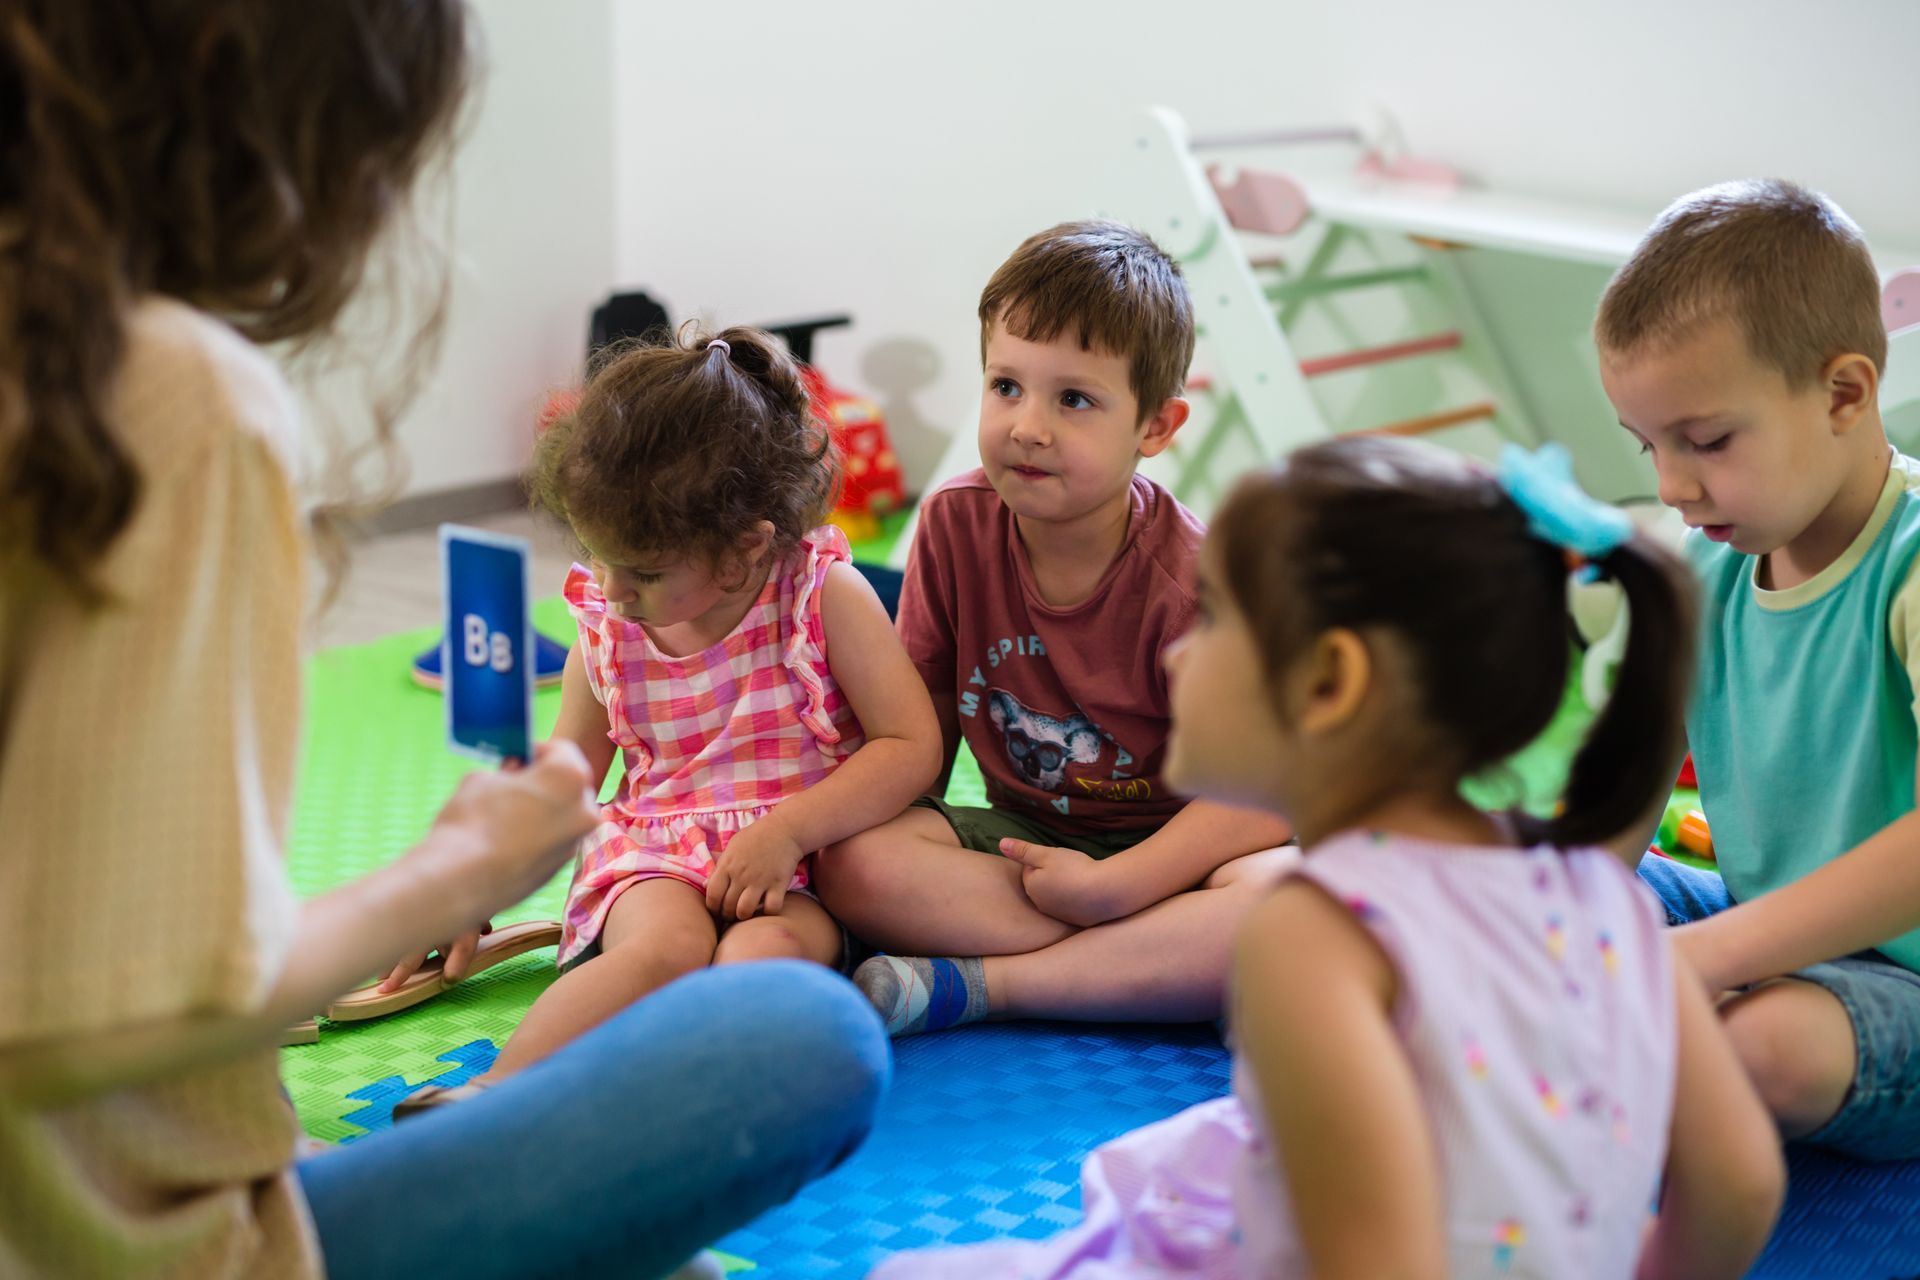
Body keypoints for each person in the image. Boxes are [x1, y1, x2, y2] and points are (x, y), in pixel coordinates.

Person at [0, 6, 887, 1276]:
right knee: (812, 1040)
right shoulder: (163, 396)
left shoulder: (818, 595)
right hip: (153, 1241)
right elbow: (109, 1011)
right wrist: (447, 876)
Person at [872, 437, 1783, 1279]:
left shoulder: (1314, 929)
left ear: (1329, 682)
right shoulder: (1608, 896)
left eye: (1216, 620)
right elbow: (1740, 1184)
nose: (1178, 657)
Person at [395, 326, 941, 1086]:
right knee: (663, 950)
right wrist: (473, 885)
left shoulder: (821, 597)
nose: (612, 590)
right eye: (598, 555)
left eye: (645, 572)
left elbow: (911, 746)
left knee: (761, 955)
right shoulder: (609, 629)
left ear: (745, 548)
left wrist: (788, 832)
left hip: (805, 863)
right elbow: (561, 784)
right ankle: (492, 1096)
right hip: (657, 854)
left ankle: (691, 1103)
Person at [817, 220, 1294, 1038]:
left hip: (1189, 853)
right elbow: (924, 718)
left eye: (1074, 400)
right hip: (1029, 850)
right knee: (853, 861)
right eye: (1007, 386)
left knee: (1286, 905)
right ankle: (1143, 966)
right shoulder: (954, 523)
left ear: (1156, 427)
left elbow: (1267, 795)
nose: (1028, 427)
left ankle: (991, 985)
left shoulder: (1196, 580)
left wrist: (1122, 886)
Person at [1599, 178, 1920, 1160]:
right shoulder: (1704, 559)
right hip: (1751, 926)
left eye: (1705, 442)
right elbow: (1628, 776)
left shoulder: (1910, 566)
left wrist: (1704, 959)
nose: (1672, 485)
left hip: (1898, 981)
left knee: (1765, 1047)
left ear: (1844, 394)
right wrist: (1554, 918)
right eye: (1648, 446)